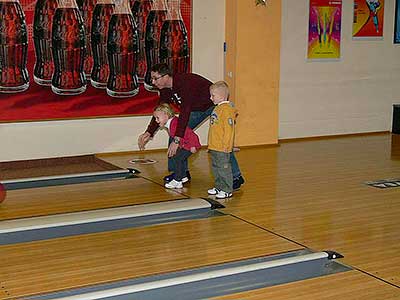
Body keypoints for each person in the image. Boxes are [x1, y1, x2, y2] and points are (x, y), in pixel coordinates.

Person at [137, 63, 245, 190]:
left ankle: (236, 176)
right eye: (152, 79)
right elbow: (161, 112)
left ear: (166, 76)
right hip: (197, 108)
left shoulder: (185, 83)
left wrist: (178, 139)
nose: (153, 82)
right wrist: (149, 131)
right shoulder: (165, 90)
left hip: (214, 105)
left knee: (221, 142)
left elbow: (185, 112)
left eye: (156, 78)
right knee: (174, 131)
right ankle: (180, 174)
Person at [153, 103, 201, 189]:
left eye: (157, 118)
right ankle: (183, 177)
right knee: (177, 157)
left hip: (190, 144)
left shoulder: (174, 124)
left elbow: (189, 133)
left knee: (178, 158)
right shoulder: (171, 124)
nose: (156, 120)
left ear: (166, 115)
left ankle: (177, 180)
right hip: (186, 144)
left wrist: (193, 145)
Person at [207, 81, 237, 199]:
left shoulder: (226, 110)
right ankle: (219, 186)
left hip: (222, 147)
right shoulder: (218, 109)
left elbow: (229, 130)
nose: (210, 98)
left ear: (221, 96)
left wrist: (226, 145)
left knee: (223, 168)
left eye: (213, 95)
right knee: (216, 168)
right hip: (215, 146)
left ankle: (227, 189)